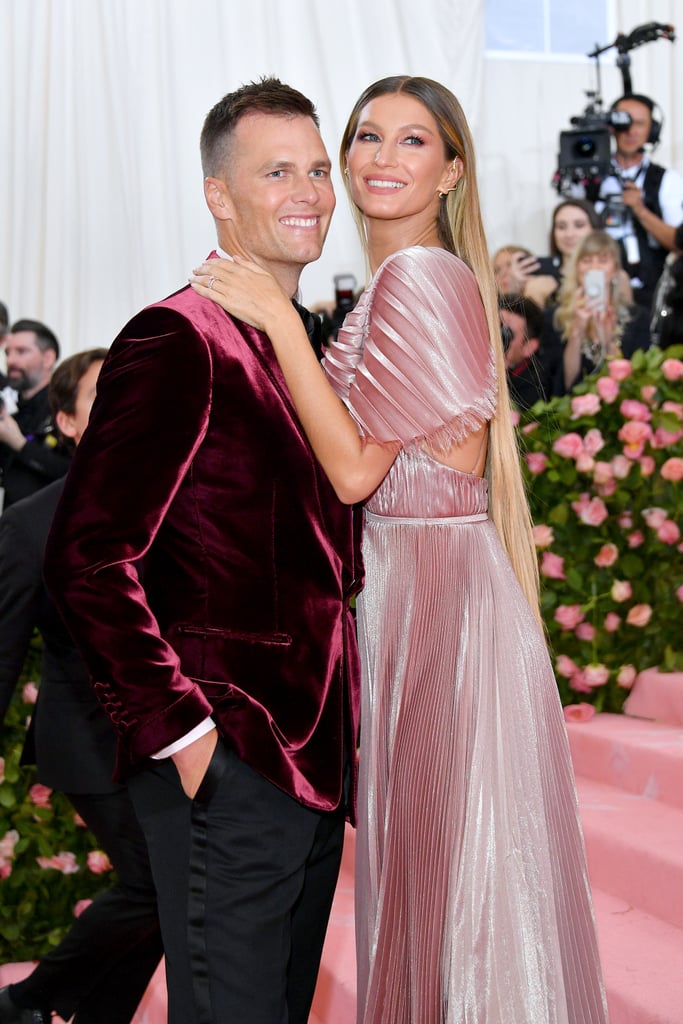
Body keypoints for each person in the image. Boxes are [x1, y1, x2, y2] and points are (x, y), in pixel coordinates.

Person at [192, 74, 608, 1024]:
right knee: (432, 867)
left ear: (452, 170)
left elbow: (350, 475)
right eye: (368, 138)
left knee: (455, 871)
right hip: (410, 589)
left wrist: (272, 318)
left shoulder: (422, 278)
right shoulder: (392, 284)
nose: (383, 158)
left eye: (413, 141)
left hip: (431, 592)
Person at [44, 78, 362, 1024]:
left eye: (315, 168)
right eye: (276, 171)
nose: (307, 189)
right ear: (219, 195)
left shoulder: (286, 338)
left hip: (307, 760)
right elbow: (89, 556)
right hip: (231, 756)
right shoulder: (178, 338)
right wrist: (186, 737)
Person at [0, 349, 162, 1024]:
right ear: (66, 421)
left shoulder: (176, 501)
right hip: (88, 737)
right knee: (157, 884)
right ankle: (26, 999)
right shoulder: (30, 523)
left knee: (165, 892)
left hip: (171, 736)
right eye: (105, 395)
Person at [598, 94, 683, 310]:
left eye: (640, 123)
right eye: (624, 122)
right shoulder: (592, 179)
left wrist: (640, 210)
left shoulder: (667, 180)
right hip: (598, 286)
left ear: (652, 131)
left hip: (652, 290)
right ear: (611, 127)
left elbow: (678, 242)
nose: (631, 131)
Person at [542, 228, 651, 392]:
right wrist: (577, 332)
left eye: (602, 260)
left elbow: (636, 382)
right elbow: (562, 385)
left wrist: (608, 344)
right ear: (577, 268)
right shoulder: (555, 317)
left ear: (615, 269)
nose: (594, 267)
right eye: (586, 260)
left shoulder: (638, 317)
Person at [0, 319, 70, 511]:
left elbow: (72, 471)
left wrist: (19, 444)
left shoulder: (66, 410)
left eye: (21, 352)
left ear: (48, 358)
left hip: (45, 529)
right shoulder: (9, 408)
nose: (11, 361)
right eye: (8, 353)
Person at [499, 293, 553, 409]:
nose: (497, 336)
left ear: (528, 348)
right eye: (497, 326)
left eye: (507, 333)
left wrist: (498, 376)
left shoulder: (534, 387)